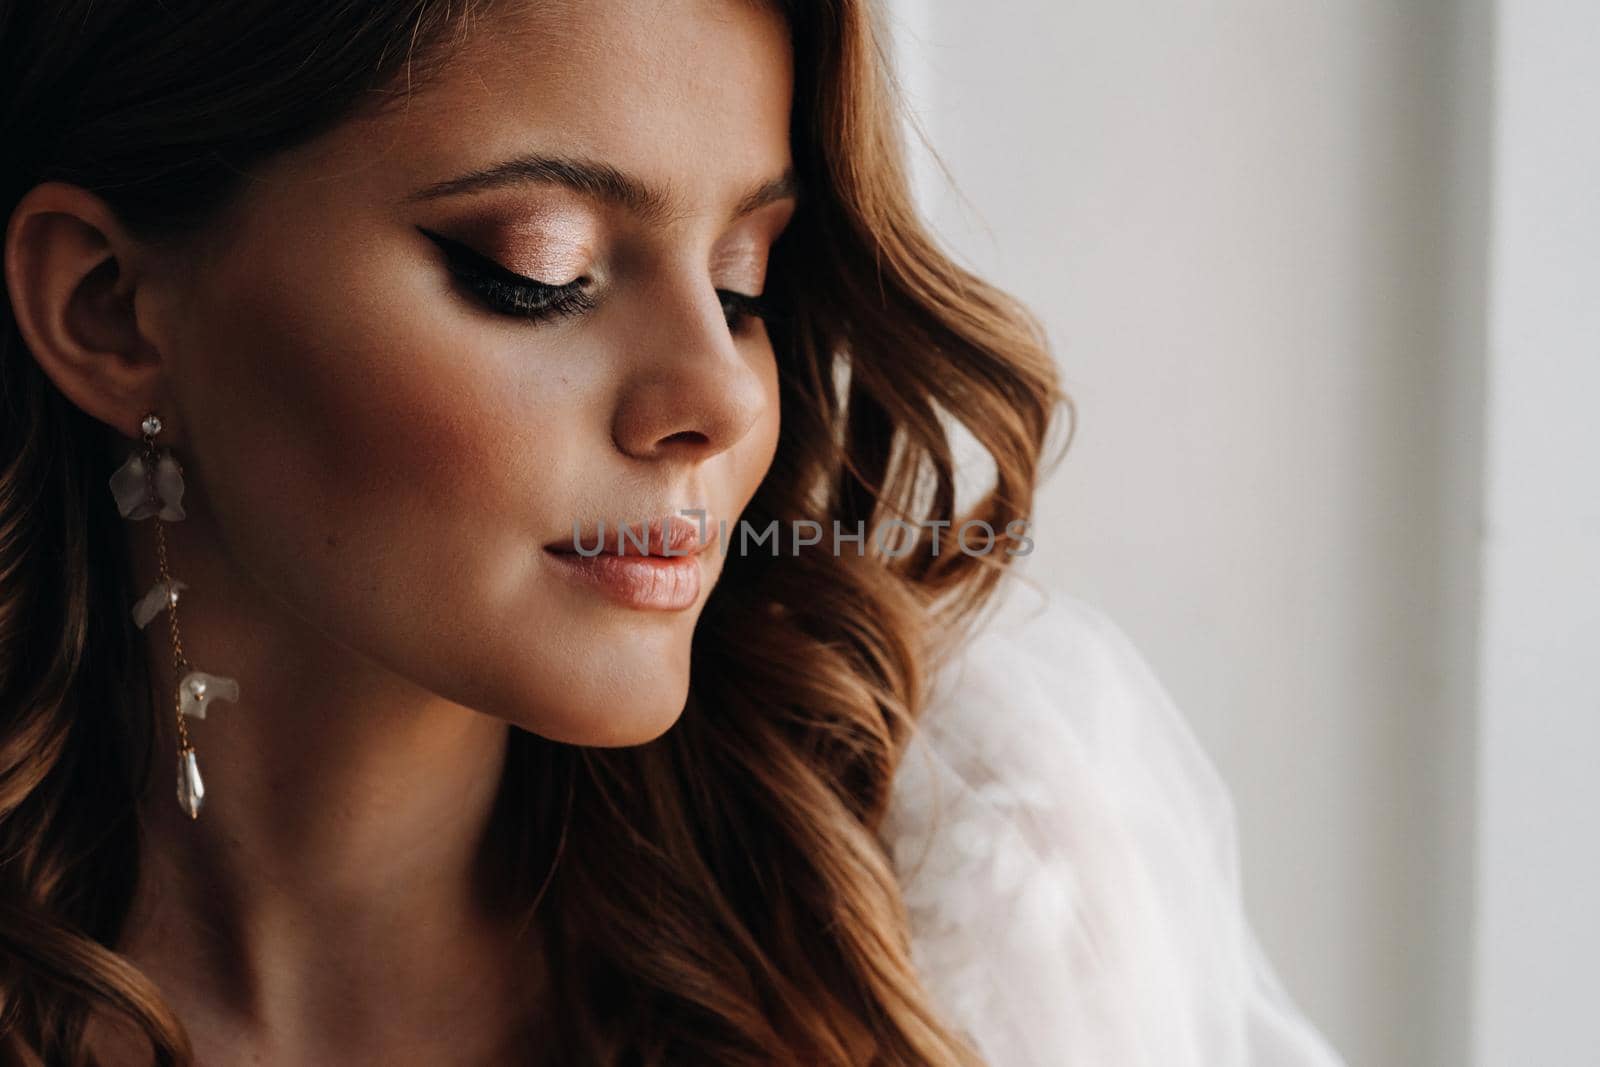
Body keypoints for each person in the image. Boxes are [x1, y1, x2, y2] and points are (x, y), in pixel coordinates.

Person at [0, 1, 1345, 1064]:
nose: (720, 395)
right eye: (538, 273)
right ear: (109, 309)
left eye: (744, 282)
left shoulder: (959, 920)